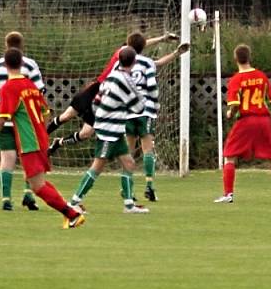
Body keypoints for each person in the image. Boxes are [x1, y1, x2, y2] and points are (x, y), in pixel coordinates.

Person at [0, 48, 85, 229]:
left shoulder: (9, 88)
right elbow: (46, 113)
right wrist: (39, 130)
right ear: (21, 64)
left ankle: (72, 214)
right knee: (40, 183)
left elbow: (2, 117)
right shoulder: (31, 86)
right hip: (40, 139)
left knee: (37, 187)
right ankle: (70, 211)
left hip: (30, 142)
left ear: (5, 65)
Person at [46, 32, 180, 149]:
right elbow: (138, 44)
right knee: (66, 115)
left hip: (106, 97)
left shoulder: (137, 63)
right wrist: (162, 38)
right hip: (95, 88)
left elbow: (158, 62)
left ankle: (59, 143)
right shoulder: (123, 52)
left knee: (86, 133)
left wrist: (176, 53)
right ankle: (43, 136)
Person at [67, 46, 150, 214]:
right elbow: (139, 106)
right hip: (109, 130)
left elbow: (96, 101)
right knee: (97, 166)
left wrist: (102, 115)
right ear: (134, 62)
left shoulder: (110, 77)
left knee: (129, 163)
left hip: (114, 128)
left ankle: (129, 205)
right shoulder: (127, 81)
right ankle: (74, 202)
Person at [215, 44, 271, 204]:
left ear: (235, 58)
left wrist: (230, 111)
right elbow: (270, 99)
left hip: (246, 119)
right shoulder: (261, 75)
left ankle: (228, 194)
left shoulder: (236, 79)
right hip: (263, 119)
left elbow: (235, 102)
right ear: (249, 57)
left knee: (229, 155)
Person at [121, 34, 189, 202]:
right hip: (145, 110)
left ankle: (127, 189)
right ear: (144, 46)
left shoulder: (121, 60)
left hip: (127, 110)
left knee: (128, 150)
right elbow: (153, 76)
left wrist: (173, 52)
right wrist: (155, 103)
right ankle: (149, 186)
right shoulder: (147, 62)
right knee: (147, 149)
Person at [0, 31, 44, 211]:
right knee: (28, 157)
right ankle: (28, 194)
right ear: (22, 45)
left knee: (7, 158)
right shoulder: (30, 66)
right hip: (26, 121)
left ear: (5, 45)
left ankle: (6, 199)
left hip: (3, 120)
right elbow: (39, 93)